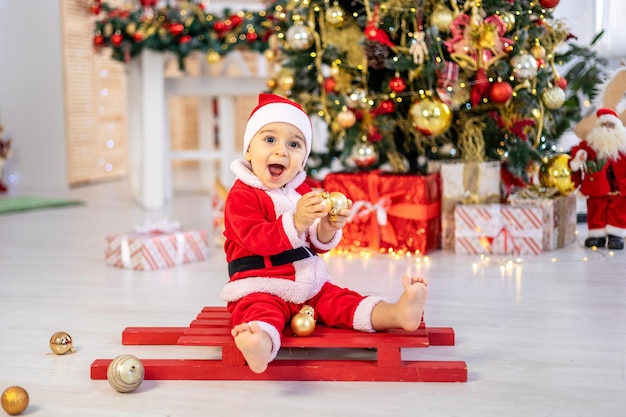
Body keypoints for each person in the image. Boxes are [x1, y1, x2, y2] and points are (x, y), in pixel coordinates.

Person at [220, 93, 428, 373]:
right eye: (269, 139)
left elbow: (314, 244)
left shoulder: (301, 191)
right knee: (258, 311)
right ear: (248, 150)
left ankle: (396, 312)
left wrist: (327, 227)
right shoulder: (242, 195)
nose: (282, 151)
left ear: (303, 159)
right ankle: (259, 344)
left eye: (294, 144)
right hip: (260, 284)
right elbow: (255, 238)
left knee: (343, 302)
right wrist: (296, 221)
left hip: (310, 285)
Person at [570, 107, 626, 250]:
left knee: (618, 210)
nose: (607, 129)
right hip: (596, 185)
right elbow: (578, 150)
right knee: (596, 209)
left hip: (618, 187)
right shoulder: (591, 144)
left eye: (611, 125)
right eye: (604, 125)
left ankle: (616, 236)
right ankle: (596, 235)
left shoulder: (623, 145)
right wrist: (581, 156)